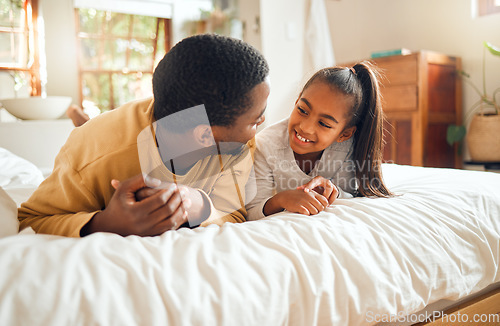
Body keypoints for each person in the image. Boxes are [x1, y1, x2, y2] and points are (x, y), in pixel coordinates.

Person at [18, 34, 270, 237]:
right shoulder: (93, 153)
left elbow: (235, 213)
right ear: (205, 135)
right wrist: (104, 223)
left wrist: (199, 206)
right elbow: (31, 220)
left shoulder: (238, 144)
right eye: (256, 119)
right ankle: (81, 119)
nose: (262, 122)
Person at [246, 62, 392, 220]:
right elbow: (252, 212)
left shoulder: (345, 146)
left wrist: (332, 191)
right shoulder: (264, 145)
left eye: (324, 124)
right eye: (302, 110)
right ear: (296, 102)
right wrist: (282, 199)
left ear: (344, 134)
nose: (305, 127)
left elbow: (349, 195)